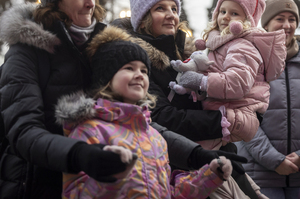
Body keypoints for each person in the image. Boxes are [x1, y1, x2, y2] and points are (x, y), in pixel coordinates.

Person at [0, 0, 236, 198]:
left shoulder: (103, 46)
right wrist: (81, 154)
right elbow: (22, 131)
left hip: (107, 182)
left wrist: (194, 154)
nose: (91, 2)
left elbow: (135, 119)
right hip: (40, 184)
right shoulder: (26, 53)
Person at [111, 0, 263, 198]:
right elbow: (163, 117)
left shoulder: (188, 55)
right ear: (142, 19)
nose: (171, 14)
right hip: (181, 167)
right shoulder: (136, 61)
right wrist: (225, 120)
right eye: (160, 8)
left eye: (174, 8)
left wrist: (249, 107)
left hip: (220, 157)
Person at [55, 26, 232, 198]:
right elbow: (74, 193)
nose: (140, 75)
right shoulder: (90, 131)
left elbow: (168, 192)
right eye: (129, 68)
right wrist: (111, 178)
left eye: (144, 71)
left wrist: (209, 176)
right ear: (107, 77)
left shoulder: (154, 136)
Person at [178, 0, 286, 151]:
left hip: (234, 114)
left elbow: (237, 82)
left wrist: (201, 82)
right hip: (226, 110)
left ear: (248, 20)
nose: (225, 17)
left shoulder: (242, 45)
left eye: (234, 13)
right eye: (222, 11)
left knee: (194, 156)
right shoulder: (222, 42)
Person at [236, 0, 300, 199]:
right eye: (280, 18)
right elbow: (243, 118)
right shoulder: (250, 59)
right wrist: (274, 160)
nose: (287, 25)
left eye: (292, 19)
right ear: (266, 24)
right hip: (261, 174)